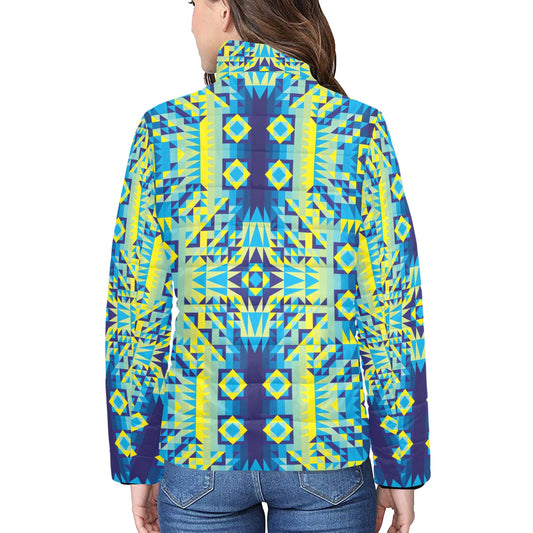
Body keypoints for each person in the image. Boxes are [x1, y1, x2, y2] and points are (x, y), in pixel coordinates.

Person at [103, 1, 431, 532]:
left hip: (198, 453)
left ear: (224, 10)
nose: (190, 21)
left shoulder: (163, 131)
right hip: (325, 451)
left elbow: (134, 314)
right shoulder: (358, 129)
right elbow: (392, 309)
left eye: (193, 3)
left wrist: (136, 457)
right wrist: (401, 462)